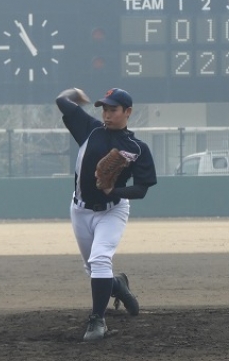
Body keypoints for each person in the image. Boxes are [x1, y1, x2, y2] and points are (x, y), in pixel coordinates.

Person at [55, 87, 157, 341]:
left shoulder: (137, 148)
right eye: (105, 109)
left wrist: (114, 190)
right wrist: (75, 93)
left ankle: (97, 320)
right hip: (80, 210)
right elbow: (61, 101)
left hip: (113, 211)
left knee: (100, 259)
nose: (107, 115)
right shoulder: (90, 130)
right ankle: (118, 285)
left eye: (113, 110)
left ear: (128, 112)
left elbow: (141, 189)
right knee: (93, 269)